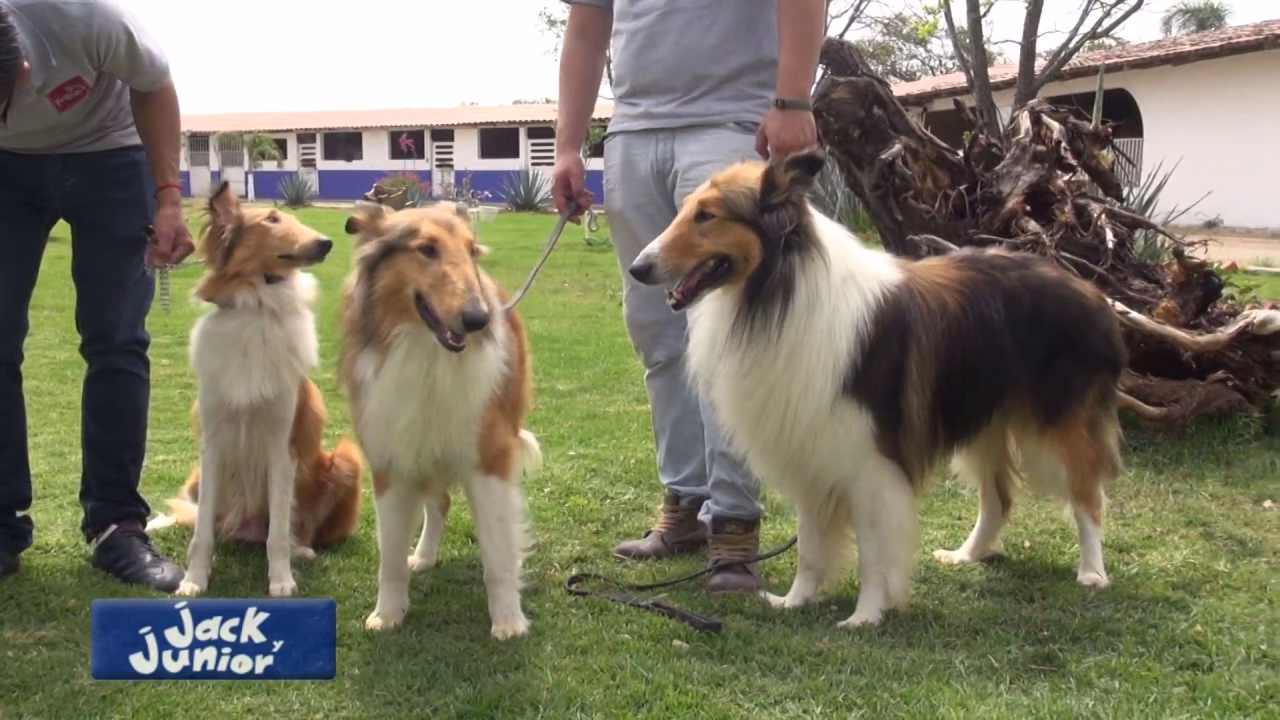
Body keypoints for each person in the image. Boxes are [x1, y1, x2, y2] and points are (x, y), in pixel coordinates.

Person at [552, 0, 824, 593]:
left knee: (729, 335)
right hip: (632, 135)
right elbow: (587, 24)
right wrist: (569, 145)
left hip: (731, 127)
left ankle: (733, 524)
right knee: (657, 329)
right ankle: (684, 504)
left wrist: (793, 98)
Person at [0, 0, 193, 590]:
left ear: (25, 70)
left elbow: (155, 85)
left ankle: (116, 525)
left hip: (112, 153)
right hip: (7, 173)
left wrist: (166, 198)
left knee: (116, 338)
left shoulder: (84, 19)